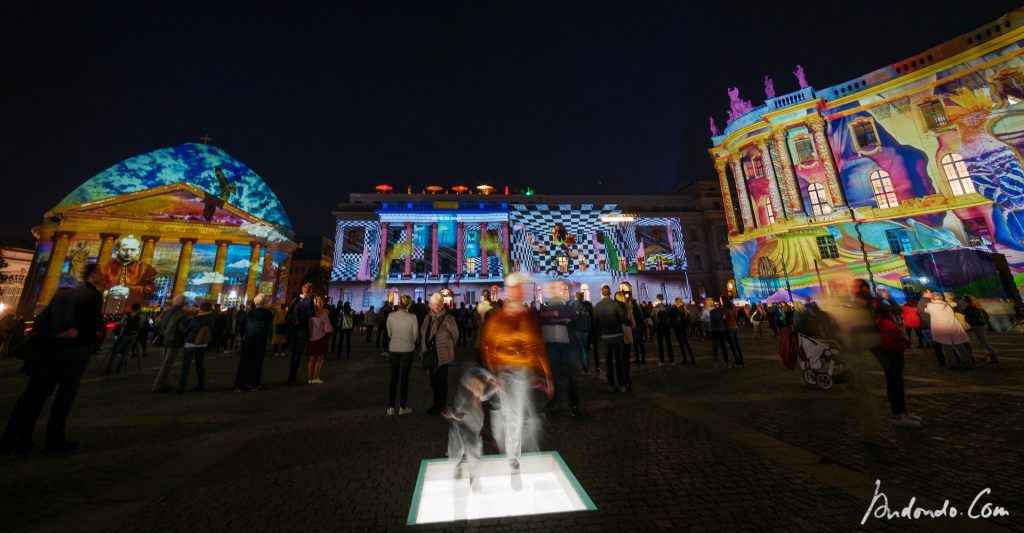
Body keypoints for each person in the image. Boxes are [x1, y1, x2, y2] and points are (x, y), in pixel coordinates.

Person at [0, 263, 105, 455]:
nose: (104, 276)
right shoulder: (93, 295)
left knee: (33, 396)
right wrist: (81, 333)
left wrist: (53, 335)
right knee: (64, 396)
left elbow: (41, 321)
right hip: (74, 352)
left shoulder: (62, 294)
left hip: (49, 351)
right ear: (92, 275)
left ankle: (14, 439)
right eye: (100, 272)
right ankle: (55, 438)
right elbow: (93, 325)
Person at [478, 272, 553, 474]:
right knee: (506, 412)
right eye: (512, 289)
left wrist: (545, 374)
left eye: (518, 289)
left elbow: (535, 345)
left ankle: (513, 457)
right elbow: (489, 346)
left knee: (515, 413)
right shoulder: (499, 318)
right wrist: (493, 372)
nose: (516, 293)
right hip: (503, 370)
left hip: (520, 370)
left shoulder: (525, 317)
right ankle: (505, 446)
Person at [443, 367, 499, 489]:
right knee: (456, 450)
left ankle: (474, 478)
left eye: (479, 391)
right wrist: (454, 415)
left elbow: (485, 394)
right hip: (460, 427)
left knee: (474, 453)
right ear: (472, 384)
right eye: (475, 389)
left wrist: (494, 384)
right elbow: (445, 410)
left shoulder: (480, 393)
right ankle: (456, 465)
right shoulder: (462, 396)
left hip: (474, 429)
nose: (476, 393)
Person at [540, 281, 581, 418]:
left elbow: (571, 317)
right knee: (569, 377)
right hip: (565, 345)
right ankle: (573, 405)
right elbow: (570, 317)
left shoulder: (548, 310)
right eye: (560, 289)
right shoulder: (558, 309)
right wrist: (561, 318)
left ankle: (555, 403)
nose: (563, 291)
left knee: (555, 376)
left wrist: (556, 317)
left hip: (556, 346)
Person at [875, 307, 921, 429]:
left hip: (893, 353)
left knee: (897, 382)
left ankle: (903, 411)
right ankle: (898, 415)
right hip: (890, 354)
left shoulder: (884, 321)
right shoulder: (883, 323)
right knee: (894, 383)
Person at [421, 293, 459, 415]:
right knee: (433, 380)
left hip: (443, 355)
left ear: (441, 304)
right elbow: (423, 334)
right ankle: (436, 403)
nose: (434, 306)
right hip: (430, 355)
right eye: (433, 304)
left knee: (442, 381)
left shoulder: (449, 318)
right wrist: (424, 348)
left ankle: (440, 405)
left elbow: (455, 335)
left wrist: (448, 346)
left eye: (437, 304)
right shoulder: (428, 318)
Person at [386, 295, 418, 415]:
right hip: (407, 349)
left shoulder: (391, 316)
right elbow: (415, 335)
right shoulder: (412, 317)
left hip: (393, 348)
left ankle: (390, 407)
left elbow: (389, 333)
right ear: (409, 304)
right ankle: (402, 407)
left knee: (393, 377)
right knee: (404, 378)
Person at [235, 294, 274, 391]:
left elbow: (243, 326)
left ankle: (240, 384)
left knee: (244, 361)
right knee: (257, 361)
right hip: (260, 339)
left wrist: (244, 335)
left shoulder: (249, 313)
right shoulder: (267, 313)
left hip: (248, 338)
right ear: (263, 302)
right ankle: (254, 383)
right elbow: (269, 327)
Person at [594, 286, 628, 393]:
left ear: (602, 293)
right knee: (619, 361)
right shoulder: (615, 304)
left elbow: (595, 323)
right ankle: (622, 385)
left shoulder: (597, 306)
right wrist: (629, 323)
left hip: (606, 337)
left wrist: (600, 335)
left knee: (608, 362)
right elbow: (623, 318)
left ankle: (611, 385)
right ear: (610, 293)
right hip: (617, 335)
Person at [152, 295, 189, 393]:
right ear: (182, 303)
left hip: (164, 339)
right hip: (174, 341)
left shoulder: (166, 312)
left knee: (165, 362)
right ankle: (157, 385)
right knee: (167, 364)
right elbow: (182, 329)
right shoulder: (182, 314)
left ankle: (166, 384)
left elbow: (158, 322)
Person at [926, 293, 973, 369]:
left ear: (933, 298)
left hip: (943, 330)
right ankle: (969, 363)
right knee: (961, 347)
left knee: (948, 349)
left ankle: (953, 364)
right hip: (953, 327)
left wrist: (931, 301)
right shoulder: (947, 305)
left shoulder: (931, 306)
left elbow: (926, 310)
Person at [179, 302, 214, 393]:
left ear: (201, 308)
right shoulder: (211, 319)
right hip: (203, 344)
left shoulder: (195, 319)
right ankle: (201, 384)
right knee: (200, 365)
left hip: (191, 343)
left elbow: (186, 330)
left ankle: (182, 387)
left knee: (186, 366)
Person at [287, 283, 315, 385]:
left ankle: (291, 377)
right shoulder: (309, 301)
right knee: (297, 355)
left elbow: (289, 311)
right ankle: (293, 379)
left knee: (294, 354)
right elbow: (310, 314)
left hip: (293, 329)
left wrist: (293, 321)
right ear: (310, 291)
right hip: (302, 330)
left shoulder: (295, 300)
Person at [104, 303, 143, 374]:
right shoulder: (140, 316)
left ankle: (109, 368)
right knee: (125, 353)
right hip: (133, 335)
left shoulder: (127, 315)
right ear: (139, 308)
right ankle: (120, 369)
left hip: (124, 335)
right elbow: (140, 326)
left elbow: (120, 324)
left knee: (114, 353)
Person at [963, 295, 998, 363]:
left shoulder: (968, 308)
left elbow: (966, 317)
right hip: (983, 325)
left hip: (976, 326)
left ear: (967, 300)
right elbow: (986, 316)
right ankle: (989, 355)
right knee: (983, 341)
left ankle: (993, 356)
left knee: (984, 342)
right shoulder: (978, 306)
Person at [613, 291, 636, 390]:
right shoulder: (628, 309)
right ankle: (628, 380)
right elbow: (633, 324)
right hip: (627, 336)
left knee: (619, 360)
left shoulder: (614, 309)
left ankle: (621, 381)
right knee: (626, 360)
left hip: (618, 336)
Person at [307, 296, 332, 384]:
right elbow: (327, 328)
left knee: (311, 359)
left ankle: (310, 379)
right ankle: (316, 377)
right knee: (319, 359)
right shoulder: (323, 314)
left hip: (311, 338)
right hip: (321, 338)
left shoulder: (310, 314)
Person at [571, 292, 593, 375]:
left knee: (581, 350)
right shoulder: (587, 305)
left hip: (577, 329)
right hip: (586, 330)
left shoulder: (573, 305)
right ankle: (585, 367)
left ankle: (585, 369)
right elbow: (590, 318)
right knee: (585, 350)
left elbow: (572, 318)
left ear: (576, 297)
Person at [651, 294, 675, 366]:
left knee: (660, 344)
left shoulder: (655, 308)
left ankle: (662, 361)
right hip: (666, 326)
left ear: (657, 299)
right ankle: (672, 361)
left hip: (659, 327)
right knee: (669, 343)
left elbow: (652, 315)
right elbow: (670, 317)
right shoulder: (666, 307)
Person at [707, 298, 732, 367]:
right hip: (721, 329)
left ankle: (716, 362)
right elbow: (724, 319)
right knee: (723, 347)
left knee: (715, 347)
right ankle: (726, 362)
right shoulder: (722, 311)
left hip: (714, 330)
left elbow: (711, 321)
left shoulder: (711, 312)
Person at [722, 297, 745, 367]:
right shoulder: (733, 308)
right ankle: (742, 361)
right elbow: (735, 317)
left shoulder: (725, 309)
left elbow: (725, 319)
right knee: (737, 345)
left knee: (733, 346)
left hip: (729, 328)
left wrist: (723, 319)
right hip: (735, 327)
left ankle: (738, 362)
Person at [672, 297, 695, 363]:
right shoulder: (685, 308)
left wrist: (675, 324)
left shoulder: (678, 309)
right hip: (684, 328)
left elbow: (678, 320)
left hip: (679, 328)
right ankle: (692, 358)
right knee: (686, 343)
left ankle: (685, 359)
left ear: (676, 302)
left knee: (681, 344)